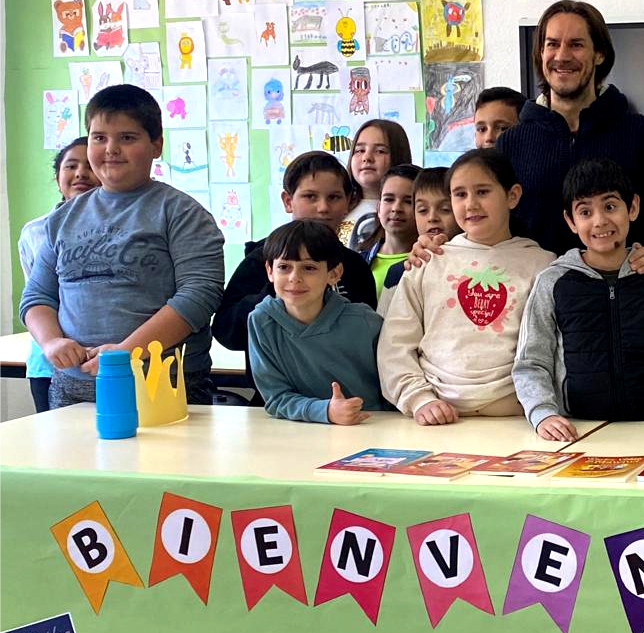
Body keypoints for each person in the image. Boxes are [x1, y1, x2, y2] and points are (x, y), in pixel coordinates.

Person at [20, 84, 224, 407]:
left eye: (127, 138)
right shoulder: (62, 219)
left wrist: (127, 351)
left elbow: (199, 296)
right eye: (99, 138)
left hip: (161, 388)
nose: (111, 149)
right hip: (74, 390)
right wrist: (51, 342)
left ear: (156, 145)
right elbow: (37, 297)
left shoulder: (182, 213)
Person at [513, 159, 644, 442]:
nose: (599, 221)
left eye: (610, 206)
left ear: (632, 208)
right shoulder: (552, 282)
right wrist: (543, 414)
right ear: (571, 221)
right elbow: (531, 363)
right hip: (575, 433)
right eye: (585, 211)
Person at [377, 149, 555, 423]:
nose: (470, 204)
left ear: (512, 195)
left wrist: (542, 407)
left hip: (519, 416)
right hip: (437, 417)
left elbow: (554, 347)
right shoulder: (428, 261)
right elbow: (395, 344)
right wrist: (419, 399)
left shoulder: (543, 264)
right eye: (460, 194)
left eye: (482, 191)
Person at [497, 0, 644, 262]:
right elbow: (487, 226)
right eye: (552, 44)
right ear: (540, 53)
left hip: (622, 296)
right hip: (534, 296)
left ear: (599, 53)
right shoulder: (510, 144)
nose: (561, 56)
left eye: (576, 44)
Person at [213, 151, 377, 392]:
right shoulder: (260, 261)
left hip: (346, 402)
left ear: (349, 203)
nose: (323, 208)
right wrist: (281, 292)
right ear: (288, 200)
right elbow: (227, 333)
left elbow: (367, 344)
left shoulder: (354, 266)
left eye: (334, 197)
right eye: (310, 196)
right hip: (278, 403)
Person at [247, 220, 386, 425]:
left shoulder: (365, 322)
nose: (295, 278)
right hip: (302, 431)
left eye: (309, 268)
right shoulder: (261, 321)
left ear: (334, 274)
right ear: (269, 271)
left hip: (372, 424)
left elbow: (395, 381)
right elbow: (276, 397)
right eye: (284, 267)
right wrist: (326, 411)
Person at [18, 140, 97, 413]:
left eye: (89, 165)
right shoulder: (36, 231)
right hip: (48, 360)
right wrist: (54, 339)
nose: (80, 173)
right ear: (57, 177)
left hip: (102, 355)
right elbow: (38, 295)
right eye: (71, 166)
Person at [377, 167, 459, 315]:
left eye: (445, 209)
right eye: (422, 210)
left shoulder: (475, 262)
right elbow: (384, 332)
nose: (432, 217)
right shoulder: (400, 272)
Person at [341, 119, 413, 249]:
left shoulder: (405, 213)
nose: (367, 157)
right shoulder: (341, 206)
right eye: (360, 150)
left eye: (380, 151)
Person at [354, 165, 420, 294]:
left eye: (408, 201)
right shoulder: (357, 263)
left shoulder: (427, 262)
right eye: (389, 199)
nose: (396, 208)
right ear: (378, 208)